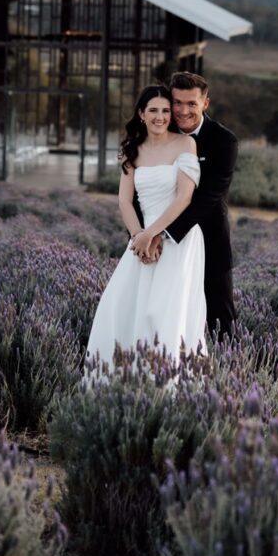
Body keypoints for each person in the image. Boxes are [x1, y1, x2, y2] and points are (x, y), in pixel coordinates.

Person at [85, 85, 206, 369]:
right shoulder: (132, 150)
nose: (160, 117)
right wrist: (139, 237)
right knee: (119, 307)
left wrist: (153, 233)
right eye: (153, 110)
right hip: (141, 241)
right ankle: (126, 379)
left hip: (178, 240)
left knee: (161, 314)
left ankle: (169, 383)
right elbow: (125, 201)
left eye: (165, 111)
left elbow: (184, 197)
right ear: (141, 114)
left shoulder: (185, 144)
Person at [131, 71, 238, 339]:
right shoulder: (156, 133)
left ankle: (226, 373)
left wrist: (160, 234)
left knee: (220, 321)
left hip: (207, 240)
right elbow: (137, 193)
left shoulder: (224, 141)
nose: (183, 110)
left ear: (205, 103)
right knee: (155, 317)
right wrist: (141, 236)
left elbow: (208, 198)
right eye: (177, 103)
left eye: (192, 103)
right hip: (156, 246)